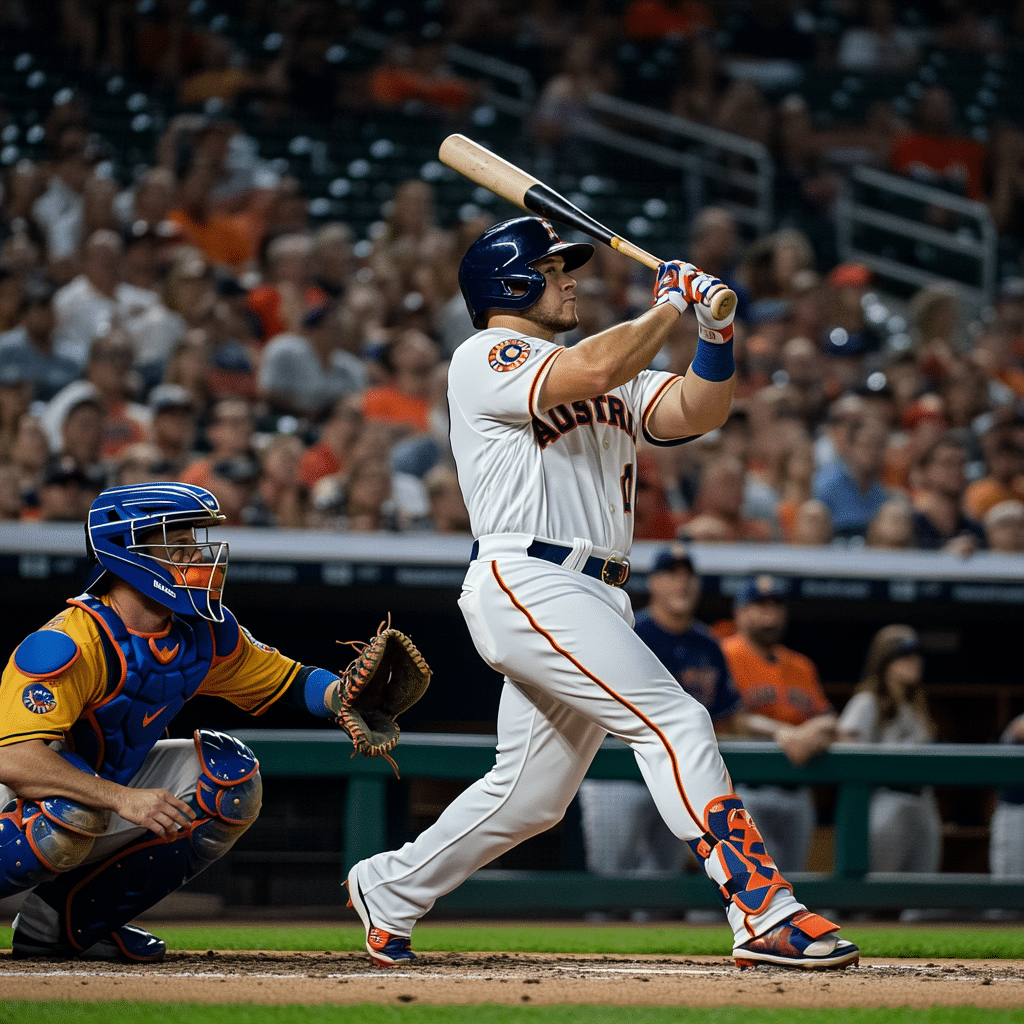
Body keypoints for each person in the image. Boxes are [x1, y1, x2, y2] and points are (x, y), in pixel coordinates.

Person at [344, 215, 859, 971]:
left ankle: (391, 887)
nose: (570, 278)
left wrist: (714, 336)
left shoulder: (602, 366)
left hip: (594, 589)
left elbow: (695, 410)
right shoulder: (487, 355)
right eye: (553, 270)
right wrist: (671, 307)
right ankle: (762, 908)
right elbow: (586, 373)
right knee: (675, 718)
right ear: (512, 284)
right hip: (531, 576)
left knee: (531, 797)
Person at [0, 481, 410, 962]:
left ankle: (62, 925)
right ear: (126, 551)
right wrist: (123, 798)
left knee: (231, 779)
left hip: (99, 790)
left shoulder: (201, 633)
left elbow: (288, 680)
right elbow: (13, 758)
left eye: (194, 542)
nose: (196, 556)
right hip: (22, 799)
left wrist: (341, 696)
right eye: (178, 544)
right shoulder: (68, 644)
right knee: (70, 813)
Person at [578, 543, 743, 889]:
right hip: (619, 772)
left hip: (678, 778)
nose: (681, 584)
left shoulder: (708, 644)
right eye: (671, 574)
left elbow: (729, 714)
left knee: (663, 885)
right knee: (608, 882)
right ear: (653, 583)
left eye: (688, 576)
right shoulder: (626, 630)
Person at [722, 575, 838, 874]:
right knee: (743, 881)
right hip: (745, 789)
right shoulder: (726, 653)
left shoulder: (801, 665)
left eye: (775, 607)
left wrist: (806, 734)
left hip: (796, 788)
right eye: (760, 607)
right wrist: (783, 732)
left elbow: (827, 719)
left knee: (792, 883)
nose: (769, 616)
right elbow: (733, 718)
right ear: (740, 613)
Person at [837, 625, 943, 877]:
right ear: (885, 660)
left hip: (923, 802)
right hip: (885, 800)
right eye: (905, 655)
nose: (915, 662)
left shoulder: (916, 707)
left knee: (922, 895)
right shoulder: (867, 702)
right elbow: (845, 756)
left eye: (917, 655)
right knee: (869, 892)